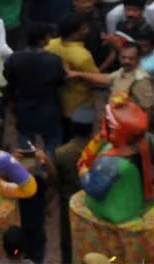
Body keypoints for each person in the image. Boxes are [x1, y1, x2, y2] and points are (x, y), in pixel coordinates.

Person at [4, 23, 66, 152]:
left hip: (24, 106)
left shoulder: (14, 58)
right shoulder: (53, 60)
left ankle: (27, 168)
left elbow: (9, 79)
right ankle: (50, 168)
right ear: (42, 40)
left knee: (25, 142)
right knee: (52, 142)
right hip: (48, 107)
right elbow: (60, 81)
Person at [51, 105, 95, 263]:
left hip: (68, 201)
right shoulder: (99, 151)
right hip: (92, 202)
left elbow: (55, 180)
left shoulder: (61, 152)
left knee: (68, 240)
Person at [66, 43, 154, 113]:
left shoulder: (141, 79)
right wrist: (78, 73)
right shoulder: (123, 71)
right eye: (123, 57)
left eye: (131, 58)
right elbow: (106, 78)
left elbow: (148, 108)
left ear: (138, 58)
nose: (126, 61)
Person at [47, 12, 99, 121]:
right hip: (79, 103)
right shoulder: (82, 56)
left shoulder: (50, 44)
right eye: (84, 28)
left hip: (56, 100)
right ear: (74, 34)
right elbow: (96, 80)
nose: (88, 30)